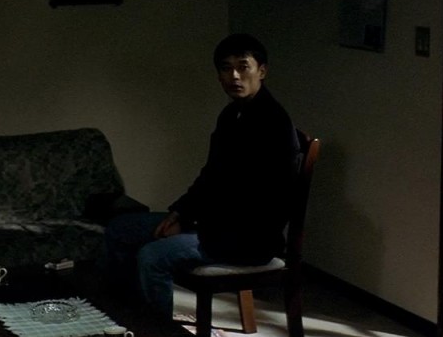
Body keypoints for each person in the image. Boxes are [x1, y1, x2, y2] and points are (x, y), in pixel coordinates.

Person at [103, 33, 302, 320]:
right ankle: (124, 318)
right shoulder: (231, 115)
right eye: (226, 68)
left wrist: (193, 225)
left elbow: (259, 200)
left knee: (153, 256)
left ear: (262, 71)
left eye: (243, 67)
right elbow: (211, 177)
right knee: (120, 229)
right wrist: (180, 212)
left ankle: (159, 335)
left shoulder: (274, 123)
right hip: (214, 225)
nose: (234, 76)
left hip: (246, 238)